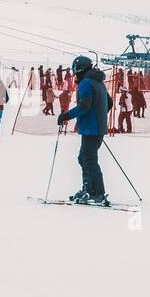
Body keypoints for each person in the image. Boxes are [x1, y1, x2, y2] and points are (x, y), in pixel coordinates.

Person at [56, 55, 110, 205]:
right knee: (84, 159)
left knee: (89, 160)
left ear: (79, 70)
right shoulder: (99, 82)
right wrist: (99, 118)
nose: (75, 76)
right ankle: (88, 189)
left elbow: (85, 105)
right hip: (95, 128)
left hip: (91, 129)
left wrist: (66, 115)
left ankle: (97, 193)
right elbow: (109, 102)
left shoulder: (86, 83)